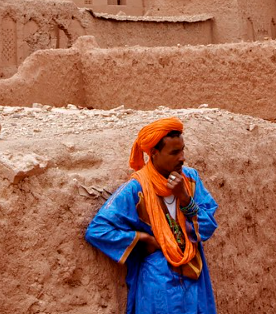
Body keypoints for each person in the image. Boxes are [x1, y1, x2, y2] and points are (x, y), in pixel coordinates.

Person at [85, 117, 219, 314]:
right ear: (154, 154)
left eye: (182, 150)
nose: (182, 158)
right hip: (159, 279)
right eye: (174, 152)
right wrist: (142, 239)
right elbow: (97, 230)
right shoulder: (136, 189)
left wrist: (184, 198)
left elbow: (207, 227)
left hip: (194, 273)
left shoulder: (190, 179)